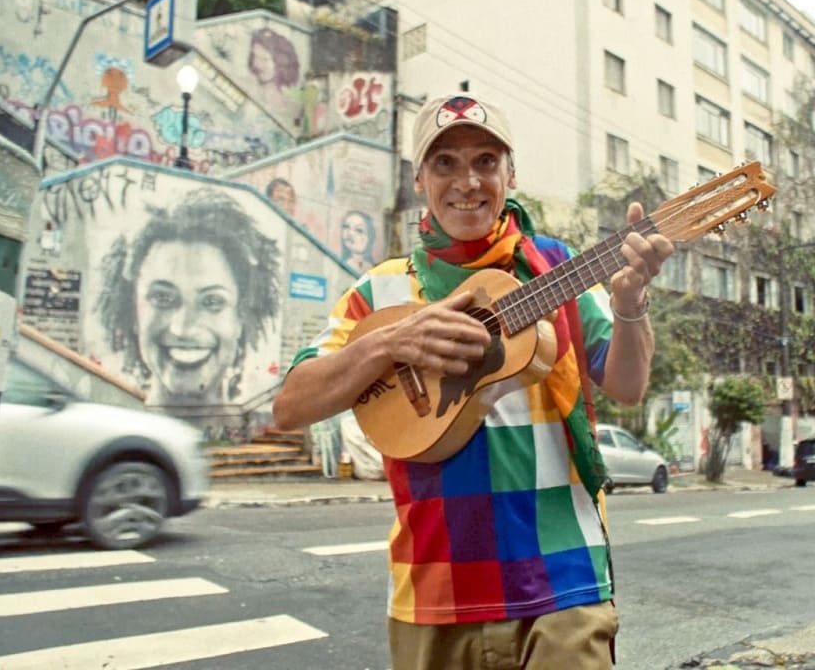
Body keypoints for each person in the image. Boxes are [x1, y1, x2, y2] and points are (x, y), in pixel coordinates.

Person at [273, 93, 673, 669]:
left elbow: (627, 385)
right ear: (420, 180)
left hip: (565, 580)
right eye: (445, 163)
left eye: (486, 161)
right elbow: (291, 405)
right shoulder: (381, 292)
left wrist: (630, 305)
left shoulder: (557, 267)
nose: (468, 182)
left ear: (511, 175)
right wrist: (390, 343)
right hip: (433, 589)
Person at [97, 188, 281, 407]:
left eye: (212, 302)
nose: (183, 329)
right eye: (162, 298)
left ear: (241, 318)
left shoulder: (264, 426)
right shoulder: (111, 424)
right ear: (132, 313)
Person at [338, 209, 376, 274]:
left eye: (359, 230)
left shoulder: (372, 271)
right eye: (346, 227)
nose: (350, 233)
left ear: (369, 238)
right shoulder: (335, 263)